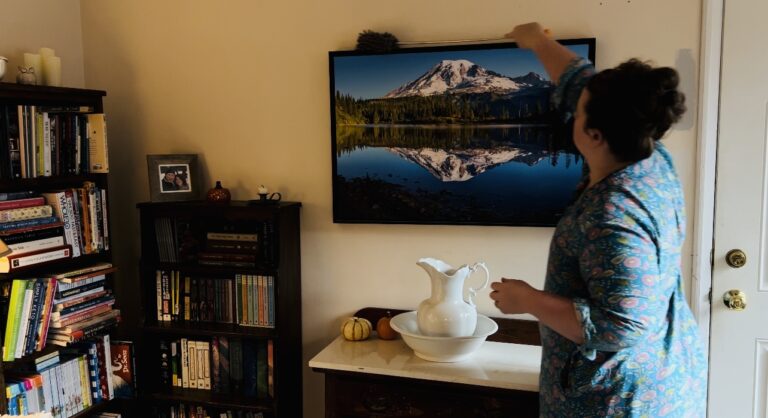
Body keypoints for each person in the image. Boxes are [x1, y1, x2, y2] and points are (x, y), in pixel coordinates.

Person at [489, 23, 707, 417]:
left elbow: (621, 325)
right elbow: (581, 82)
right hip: (665, 369)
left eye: (577, 111)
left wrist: (528, 300)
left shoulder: (613, 215)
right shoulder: (649, 155)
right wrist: (537, 40)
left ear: (593, 135)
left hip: (619, 399)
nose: (569, 109)